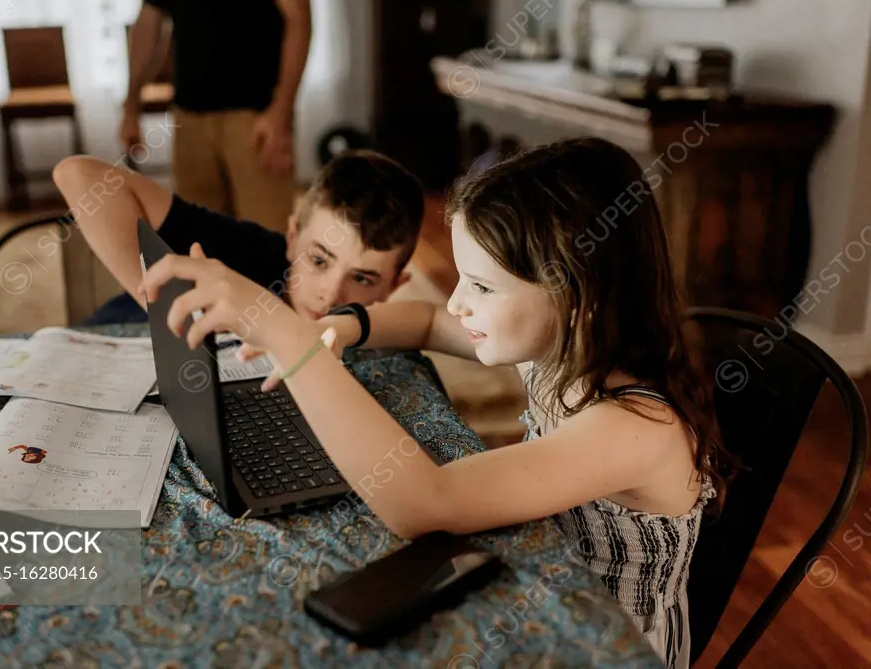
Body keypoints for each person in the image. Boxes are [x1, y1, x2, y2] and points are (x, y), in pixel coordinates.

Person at [137, 138, 734, 669]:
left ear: (575, 294)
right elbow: (424, 321)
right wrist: (346, 327)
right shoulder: (556, 345)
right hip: (540, 580)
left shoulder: (636, 428)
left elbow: (425, 503)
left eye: (480, 286)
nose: (455, 305)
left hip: (607, 641)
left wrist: (292, 339)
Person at [51, 149, 425, 325]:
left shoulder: (379, 338)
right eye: (319, 260)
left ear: (395, 286)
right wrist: (157, 306)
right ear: (292, 237)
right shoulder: (243, 250)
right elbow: (77, 174)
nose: (332, 293)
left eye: (361, 278)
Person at [122, 0, 311, 232]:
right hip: (189, 117)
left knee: (267, 240)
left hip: (255, 118)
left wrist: (280, 113)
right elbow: (149, 24)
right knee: (199, 242)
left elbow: (298, 22)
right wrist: (130, 109)